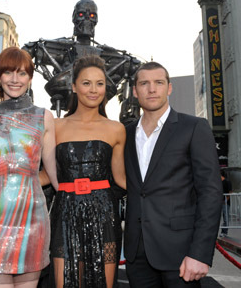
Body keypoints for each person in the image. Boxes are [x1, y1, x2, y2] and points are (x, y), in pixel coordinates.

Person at [124, 62, 222, 287]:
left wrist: (200, 253)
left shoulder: (194, 127)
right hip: (137, 254)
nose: (152, 89)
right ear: (135, 90)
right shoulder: (126, 133)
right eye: (144, 83)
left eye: (158, 83)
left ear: (169, 88)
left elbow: (210, 192)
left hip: (181, 253)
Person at [0, 46, 59, 288]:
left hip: (33, 218)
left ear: (30, 78)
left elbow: (53, 171)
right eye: (8, 72)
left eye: (21, 73)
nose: (14, 79)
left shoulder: (44, 117)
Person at [47, 55, 126, 288]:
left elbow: (121, 178)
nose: (94, 90)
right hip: (65, 212)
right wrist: (10, 178)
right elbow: (47, 173)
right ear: (73, 86)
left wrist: (164, 189)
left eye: (100, 84)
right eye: (86, 83)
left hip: (104, 214)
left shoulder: (116, 129)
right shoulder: (55, 126)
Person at [220, 170, 232, 237]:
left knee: (226, 217)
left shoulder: (227, 182)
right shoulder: (218, 183)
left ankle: (224, 232)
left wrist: (225, 201)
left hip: (225, 203)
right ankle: (221, 231)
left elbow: (230, 192)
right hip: (218, 202)